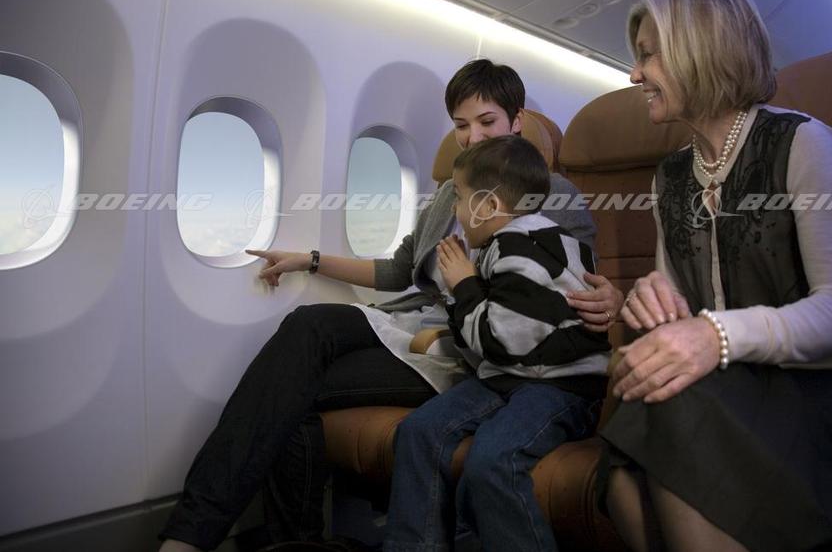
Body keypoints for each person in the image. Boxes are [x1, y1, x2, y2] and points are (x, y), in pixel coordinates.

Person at [157, 59, 624, 552]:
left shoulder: (551, 193)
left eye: (486, 122)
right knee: (308, 325)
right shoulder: (449, 194)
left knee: (291, 391)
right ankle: (209, 534)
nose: (472, 137)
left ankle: (235, 536)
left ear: (517, 121)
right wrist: (309, 260)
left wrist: (611, 298)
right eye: (461, 126)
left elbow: (573, 281)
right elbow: (399, 271)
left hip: (464, 346)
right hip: (416, 324)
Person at [599, 0, 832, 552]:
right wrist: (654, 303)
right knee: (633, 418)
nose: (634, 73)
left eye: (648, 55)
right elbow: (680, 310)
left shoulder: (801, 141)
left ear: (699, 50)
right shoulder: (669, 177)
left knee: (665, 413)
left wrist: (714, 335)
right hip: (747, 382)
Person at [384, 135, 610, 552]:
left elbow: (498, 341)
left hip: (562, 386)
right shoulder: (505, 244)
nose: (454, 208)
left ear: (487, 207)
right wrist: (461, 287)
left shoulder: (520, 251)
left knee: (494, 459)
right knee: (418, 432)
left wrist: (462, 286)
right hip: (509, 375)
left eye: (459, 197)